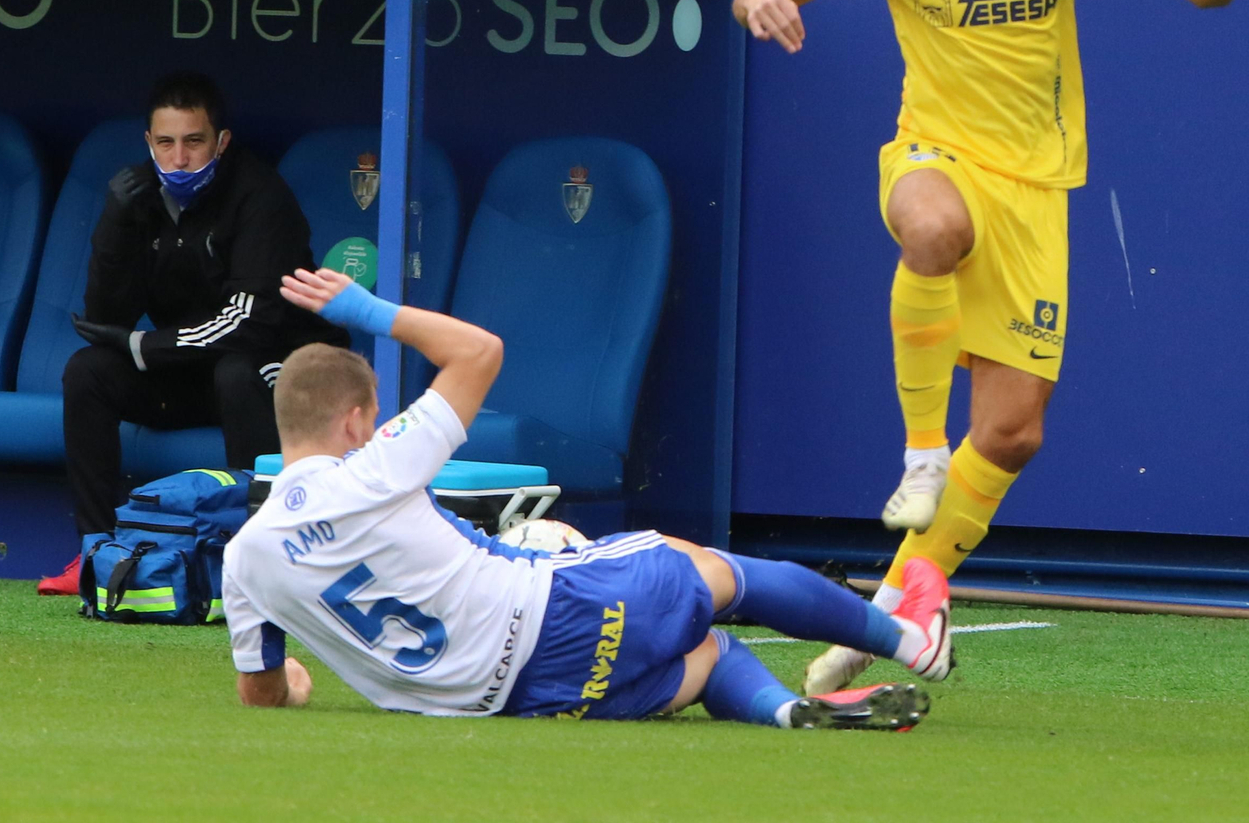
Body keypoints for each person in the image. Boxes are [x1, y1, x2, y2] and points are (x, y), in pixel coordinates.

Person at [731, 0, 1249, 693]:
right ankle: (920, 453)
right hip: (932, 152)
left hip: (1035, 190)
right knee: (932, 228)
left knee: (1012, 431)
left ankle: (893, 612)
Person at [221, 267, 953, 730]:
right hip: (545, 615)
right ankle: (909, 639)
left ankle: (785, 709)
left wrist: (290, 683)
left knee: (705, 654)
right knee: (711, 569)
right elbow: (478, 351)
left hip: (506, 699)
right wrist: (371, 309)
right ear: (354, 420)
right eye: (373, 416)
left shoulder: (243, 558)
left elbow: (260, 692)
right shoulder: (372, 468)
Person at [38, 72, 347, 596]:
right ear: (149, 144)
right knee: (87, 373)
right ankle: (98, 551)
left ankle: (254, 559)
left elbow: (248, 320)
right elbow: (106, 314)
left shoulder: (261, 195)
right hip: (188, 374)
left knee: (237, 373)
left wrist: (145, 347)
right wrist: (115, 224)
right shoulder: (138, 198)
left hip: (272, 370)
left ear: (221, 142)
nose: (179, 158)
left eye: (194, 142)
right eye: (166, 143)